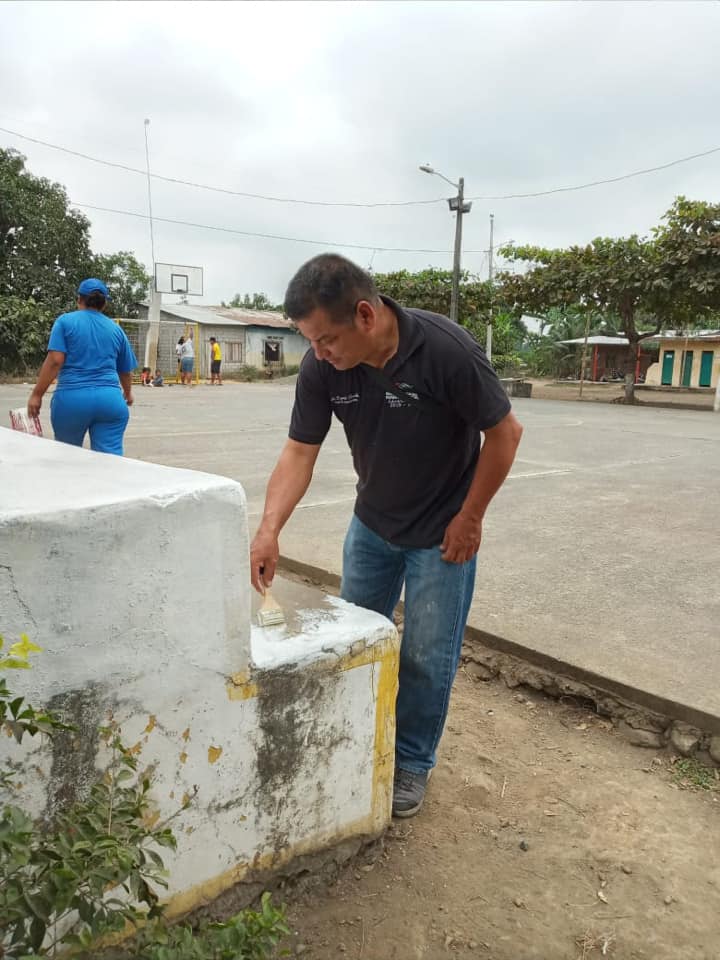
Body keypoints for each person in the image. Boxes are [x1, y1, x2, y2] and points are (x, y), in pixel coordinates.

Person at [250, 254, 523, 818]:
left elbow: (505, 434)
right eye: (310, 341)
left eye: (327, 339)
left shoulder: (445, 351)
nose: (319, 353)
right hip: (372, 525)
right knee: (354, 639)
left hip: (441, 535)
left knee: (426, 655)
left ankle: (412, 761)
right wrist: (269, 528)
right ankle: (355, 734)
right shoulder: (323, 368)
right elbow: (299, 451)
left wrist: (470, 517)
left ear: (366, 316)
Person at [27, 278, 136, 456]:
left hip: (72, 400)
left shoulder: (65, 322)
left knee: (68, 456)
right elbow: (125, 370)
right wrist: (128, 392)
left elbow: (55, 360)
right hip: (110, 401)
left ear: (79, 299)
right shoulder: (116, 330)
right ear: (104, 304)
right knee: (110, 460)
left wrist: (37, 394)